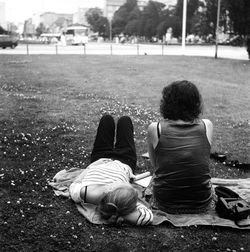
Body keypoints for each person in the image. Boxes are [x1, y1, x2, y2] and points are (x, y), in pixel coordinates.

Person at [70, 114, 153, 225]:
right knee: (125, 120)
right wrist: (122, 210)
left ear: (110, 189)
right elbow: (147, 217)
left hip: (100, 159)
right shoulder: (125, 199)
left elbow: (74, 186)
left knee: (106, 119)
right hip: (125, 161)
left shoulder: (91, 194)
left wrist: (87, 170)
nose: (129, 185)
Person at [147, 80, 213, 214]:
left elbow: (155, 165)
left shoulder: (156, 128)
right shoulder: (207, 125)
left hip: (165, 203)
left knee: (153, 181)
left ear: (167, 103)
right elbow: (202, 159)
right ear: (195, 103)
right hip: (201, 202)